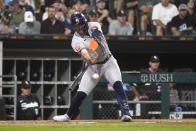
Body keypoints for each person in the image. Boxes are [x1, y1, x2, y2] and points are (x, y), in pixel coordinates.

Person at [53, 12, 132, 122]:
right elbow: (83, 52)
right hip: (93, 67)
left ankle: (126, 113)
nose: (79, 28)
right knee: (81, 93)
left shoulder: (93, 25)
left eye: (81, 25)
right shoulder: (75, 40)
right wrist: (89, 59)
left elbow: (96, 37)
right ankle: (68, 116)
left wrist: (92, 53)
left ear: (84, 22)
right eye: (76, 26)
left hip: (108, 62)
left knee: (117, 83)